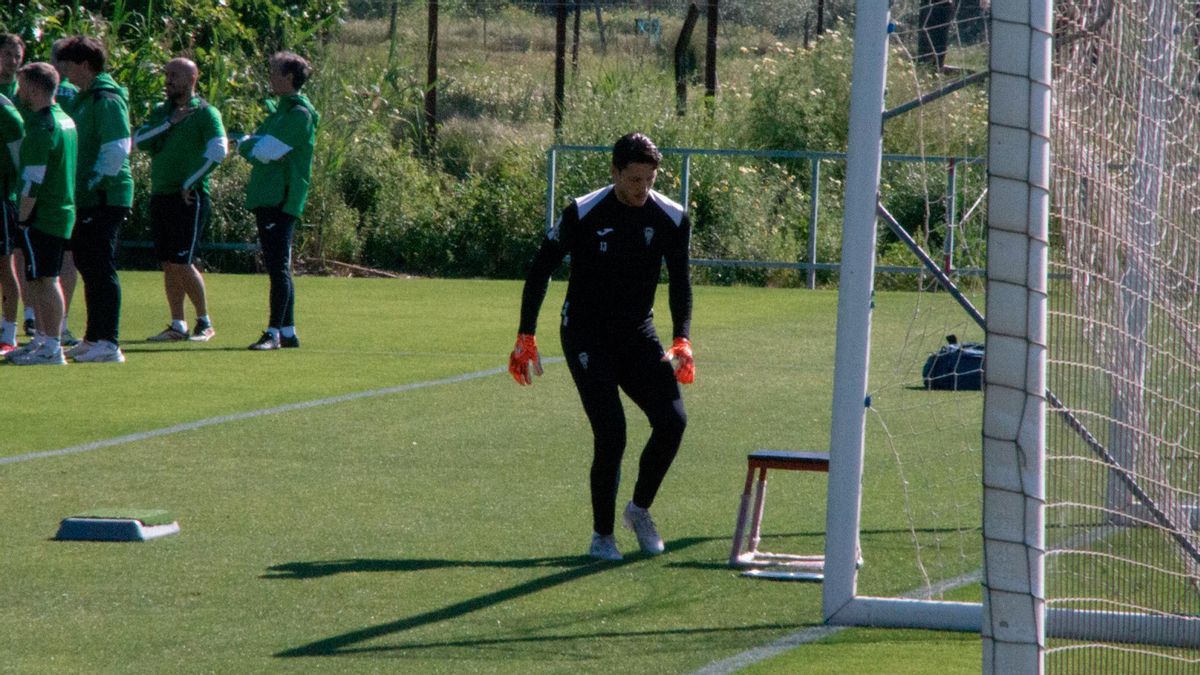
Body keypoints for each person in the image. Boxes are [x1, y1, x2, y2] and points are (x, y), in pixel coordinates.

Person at [509, 132, 695, 561]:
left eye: (649, 179)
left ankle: (639, 510)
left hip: (636, 333)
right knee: (612, 434)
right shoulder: (582, 212)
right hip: (585, 334)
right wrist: (526, 335)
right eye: (633, 179)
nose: (641, 189)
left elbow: (681, 281)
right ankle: (603, 536)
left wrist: (682, 336)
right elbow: (540, 271)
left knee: (673, 421)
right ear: (613, 172)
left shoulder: (672, 218)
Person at [134, 57, 226, 342]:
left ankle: (204, 322)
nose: (168, 80)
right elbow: (139, 140)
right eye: (167, 74)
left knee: (183, 261)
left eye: (175, 75)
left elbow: (219, 150)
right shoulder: (162, 112)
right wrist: (169, 123)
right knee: (168, 263)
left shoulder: (205, 113)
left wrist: (190, 181)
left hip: (189, 197)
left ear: (193, 79)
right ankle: (178, 324)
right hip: (161, 194)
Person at [56, 36, 133, 363]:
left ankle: (109, 342)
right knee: (87, 263)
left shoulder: (106, 99)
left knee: (101, 266)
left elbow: (116, 149)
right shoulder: (85, 98)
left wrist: (91, 182)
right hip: (86, 197)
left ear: (85, 65)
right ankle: (93, 336)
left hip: (105, 196)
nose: (65, 69)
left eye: (70, 63)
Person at [235, 51, 318, 351]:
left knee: (278, 266)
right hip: (267, 195)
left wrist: (253, 146)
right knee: (278, 265)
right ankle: (287, 331)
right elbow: (253, 146)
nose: (270, 77)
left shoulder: (298, 114)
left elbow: (262, 150)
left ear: (289, 78)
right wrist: (253, 146)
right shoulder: (280, 111)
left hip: (281, 197)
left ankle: (273, 332)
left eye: (274, 72)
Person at [6, 62, 76, 366]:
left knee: (45, 279)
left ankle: (51, 345)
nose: (20, 92)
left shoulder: (41, 127)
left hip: (44, 213)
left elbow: (33, 179)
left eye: (22, 86)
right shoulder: (64, 119)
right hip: (58, 210)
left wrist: (23, 216)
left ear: (34, 88)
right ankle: (42, 340)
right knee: (38, 278)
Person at [0, 32, 34, 343]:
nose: (12, 61)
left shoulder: (21, 95)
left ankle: (24, 319)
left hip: (11, 190)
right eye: (7, 54)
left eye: (16, 56)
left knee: (14, 257)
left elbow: (21, 153)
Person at [0, 56, 22, 354]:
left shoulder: (5, 108)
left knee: (5, 265)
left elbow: (21, 155)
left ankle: (9, 332)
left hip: (2, 197)